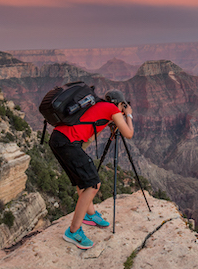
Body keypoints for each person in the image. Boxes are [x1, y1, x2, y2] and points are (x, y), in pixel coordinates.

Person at [48, 89, 134, 249]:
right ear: (120, 104)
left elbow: (89, 136)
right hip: (67, 143)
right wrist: (128, 115)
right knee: (93, 185)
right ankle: (73, 232)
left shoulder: (99, 105)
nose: (122, 111)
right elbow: (129, 134)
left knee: (83, 183)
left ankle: (91, 215)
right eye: (123, 107)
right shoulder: (113, 109)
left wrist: (110, 123)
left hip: (58, 139)